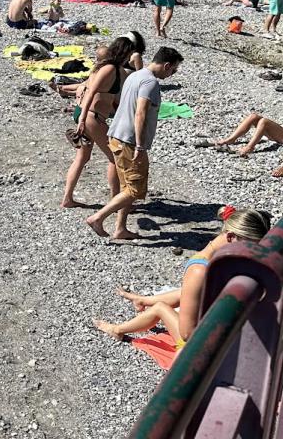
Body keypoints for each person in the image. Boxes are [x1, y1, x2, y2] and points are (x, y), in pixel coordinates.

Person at [93, 206, 272, 345]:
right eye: (251, 247)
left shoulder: (209, 262)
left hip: (213, 336)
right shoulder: (203, 270)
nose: (252, 254)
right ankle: (120, 326)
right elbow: (187, 334)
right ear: (232, 237)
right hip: (206, 340)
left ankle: (134, 311)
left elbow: (190, 305)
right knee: (163, 306)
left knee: (174, 300)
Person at [85, 46, 184, 239]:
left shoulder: (135, 76)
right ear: (166, 65)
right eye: (174, 70)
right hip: (129, 141)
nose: (173, 74)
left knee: (126, 186)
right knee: (134, 189)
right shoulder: (150, 83)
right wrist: (140, 144)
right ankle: (97, 218)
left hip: (116, 135)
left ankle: (120, 228)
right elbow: (140, 113)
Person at [61, 38, 137, 209]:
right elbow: (91, 91)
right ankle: (115, 200)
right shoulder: (109, 68)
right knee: (115, 157)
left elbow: (117, 98)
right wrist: (81, 120)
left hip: (88, 114)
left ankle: (67, 199)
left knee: (82, 157)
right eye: (130, 54)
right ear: (123, 52)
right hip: (90, 116)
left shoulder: (114, 70)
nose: (131, 58)